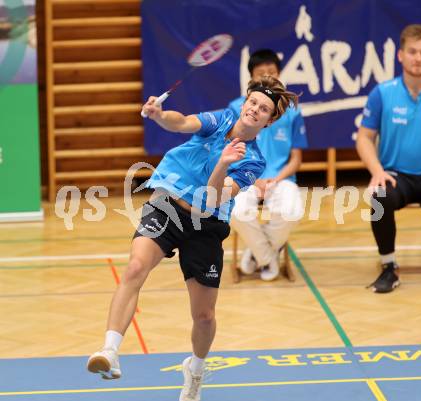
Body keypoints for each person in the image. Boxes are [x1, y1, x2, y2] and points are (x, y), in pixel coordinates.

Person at [87, 75, 298, 401]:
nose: (255, 109)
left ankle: (196, 369)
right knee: (135, 268)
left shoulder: (253, 160)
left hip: (206, 224)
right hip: (167, 206)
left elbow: (214, 198)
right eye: (253, 102)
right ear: (245, 103)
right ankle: (110, 351)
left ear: (269, 121)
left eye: (263, 109)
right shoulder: (222, 119)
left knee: (204, 316)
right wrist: (159, 115)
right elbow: (183, 122)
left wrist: (224, 164)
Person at [356, 24, 421, 293]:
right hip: (396, 175)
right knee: (379, 198)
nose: (418, 57)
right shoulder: (382, 93)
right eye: (412, 51)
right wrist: (376, 170)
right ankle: (389, 267)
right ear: (400, 55)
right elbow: (364, 138)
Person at [229, 49, 308, 281]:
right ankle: (268, 257)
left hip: (281, 178)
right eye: (261, 74)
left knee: (292, 211)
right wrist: (254, 180)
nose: (267, 78)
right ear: (251, 79)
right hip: (245, 178)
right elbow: (231, 151)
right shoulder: (236, 108)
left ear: (279, 75)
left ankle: (255, 255)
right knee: (237, 211)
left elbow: (296, 159)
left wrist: (275, 179)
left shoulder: (292, 111)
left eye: (272, 73)